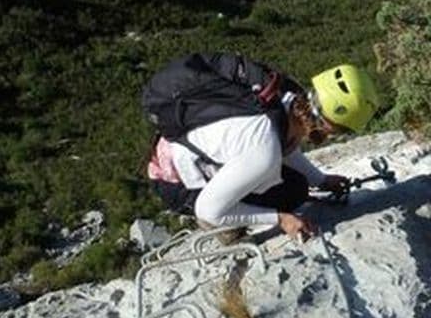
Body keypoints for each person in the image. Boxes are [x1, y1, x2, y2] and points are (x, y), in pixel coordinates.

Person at [145, 54, 381, 243]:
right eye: (342, 131)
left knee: (296, 187)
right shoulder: (263, 150)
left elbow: (285, 145)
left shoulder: (286, 96)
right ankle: (226, 231)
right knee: (290, 194)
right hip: (178, 186)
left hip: (182, 152)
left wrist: (320, 180)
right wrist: (279, 219)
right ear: (330, 124)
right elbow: (208, 209)